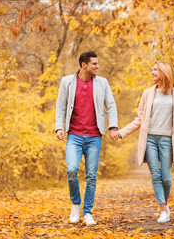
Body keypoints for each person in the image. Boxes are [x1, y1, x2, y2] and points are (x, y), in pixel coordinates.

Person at [115, 61, 174, 223]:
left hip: (167, 139)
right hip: (150, 139)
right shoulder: (147, 93)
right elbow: (139, 119)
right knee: (155, 174)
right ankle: (162, 209)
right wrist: (121, 133)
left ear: (164, 72)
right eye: (152, 70)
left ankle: (165, 206)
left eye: (155, 70)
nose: (152, 72)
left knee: (166, 178)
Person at [55, 51, 119, 225]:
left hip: (94, 136)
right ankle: (75, 204)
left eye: (97, 64)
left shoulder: (102, 83)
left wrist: (113, 127)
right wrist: (59, 127)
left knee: (91, 175)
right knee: (71, 170)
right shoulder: (67, 82)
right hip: (74, 135)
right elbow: (60, 106)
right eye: (94, 64)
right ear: (84, 65)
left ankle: (88, 212)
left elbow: (111, 106)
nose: (97, 67)